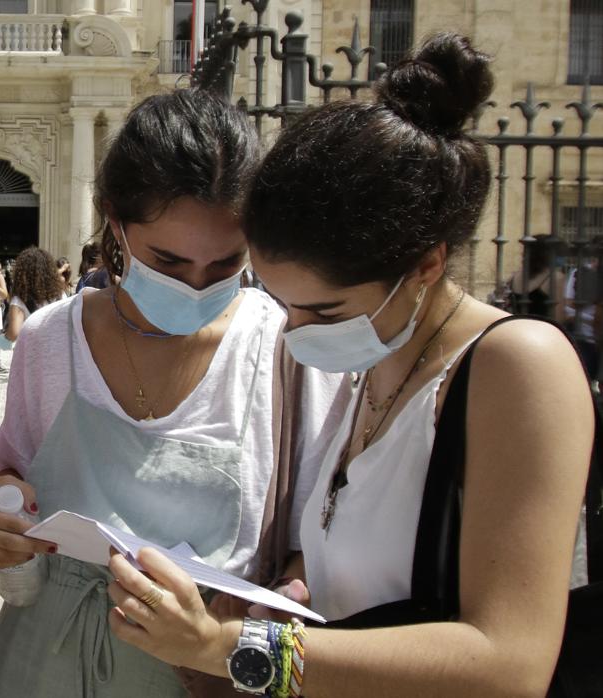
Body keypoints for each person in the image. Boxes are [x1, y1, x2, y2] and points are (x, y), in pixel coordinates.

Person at [107, 34, 594, 698]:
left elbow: (508, 662)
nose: (294, 332)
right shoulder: (376, 363)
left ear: (426, 265)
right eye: (283, 304)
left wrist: (235, 647)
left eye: (326, 312)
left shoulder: (515, 366)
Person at [0, 88, 350, 697]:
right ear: (115, 221)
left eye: (225, 265)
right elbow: (9, 479)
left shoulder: (287, 353)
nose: (196, 287)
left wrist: (271, 608)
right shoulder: (50, 339)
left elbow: (317, 544)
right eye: (167, 263)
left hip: (200, 675)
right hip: (38, 662)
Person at [3, 246, 62, 343]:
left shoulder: (19, 300)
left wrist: (4, 337)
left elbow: (14, 334)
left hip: (34, 352)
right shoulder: (59, 294)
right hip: (56, 348)